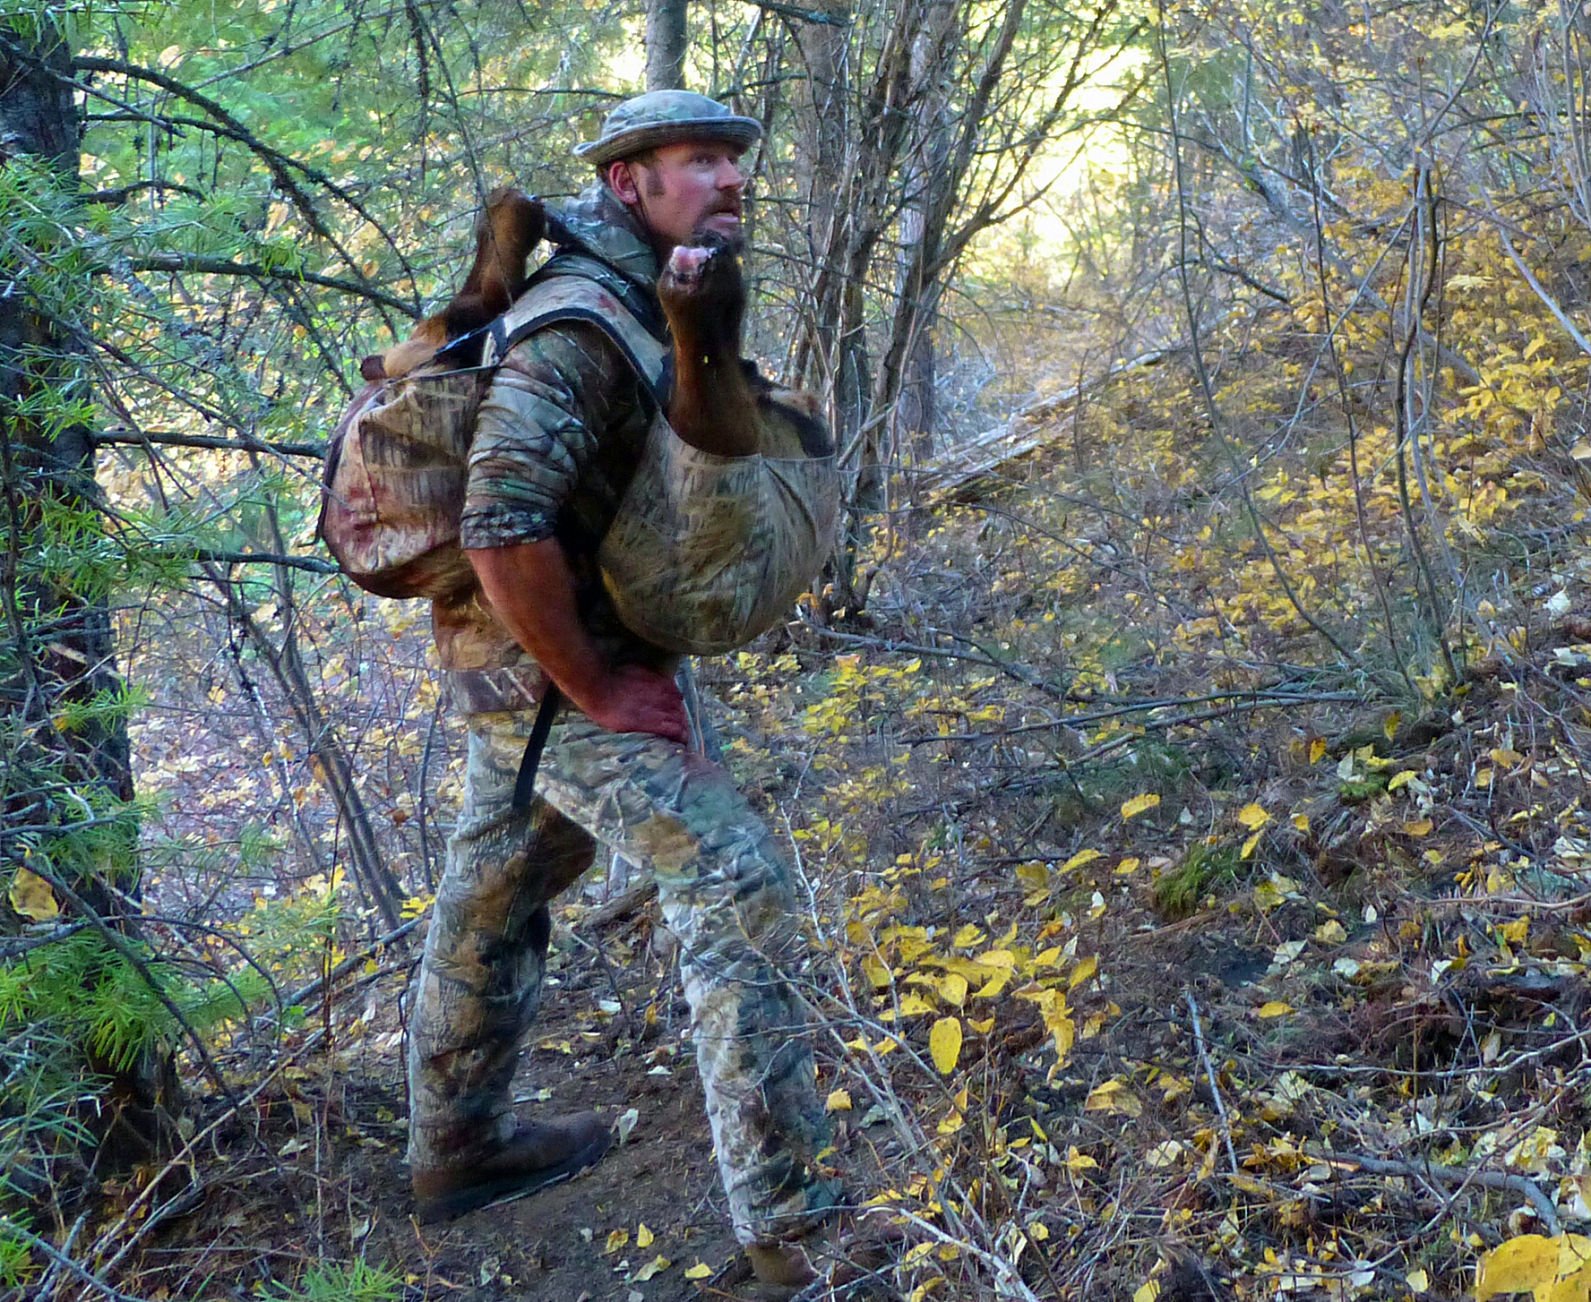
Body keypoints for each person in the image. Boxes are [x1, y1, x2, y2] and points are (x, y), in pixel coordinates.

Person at [404, 90, 860, 1293]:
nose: (730, 180)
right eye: (699, 162)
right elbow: (502, 523)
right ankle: (791, 1235)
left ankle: (461, 1151)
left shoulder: (655, 297)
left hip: (529, 669)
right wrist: (595, 679)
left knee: (497, 885)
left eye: (734, 160)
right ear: (627, 184)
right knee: (731, 874)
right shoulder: (576, 323)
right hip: (551, 674)